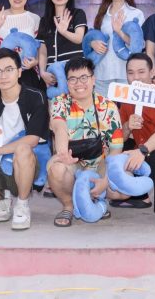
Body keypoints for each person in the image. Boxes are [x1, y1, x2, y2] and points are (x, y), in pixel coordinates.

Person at [0, 48, 50, 230]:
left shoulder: (36, 96)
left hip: (27, 162)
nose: (3, 76)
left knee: (22, 148)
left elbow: (32, 139)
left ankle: (22, 204)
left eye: (9, 70)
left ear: (19, 71)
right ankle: (3, 197)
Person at [46, 57, 124, 228]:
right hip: (72, 161)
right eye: (72, 79)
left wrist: (106, 180)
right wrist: (63, 154)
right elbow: (59, 127)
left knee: (121, 187)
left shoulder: (108, 107)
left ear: (93, 79)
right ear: (67, 82)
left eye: (83, 77)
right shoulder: (59, 102)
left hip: (100, 162)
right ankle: (69, 206)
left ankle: (97, 200)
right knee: (57, 169)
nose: (78, 83)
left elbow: (116, 149)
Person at [108, 53, 155, 226]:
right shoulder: (127, 97)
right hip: (140, 145)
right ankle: (137, 195)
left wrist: (142, 151)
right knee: (114, 147)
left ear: (151, 72)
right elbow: (119, 137)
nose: (136, 78)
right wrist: (127, 126)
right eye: (131, 73)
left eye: (141, 72)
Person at [90, 0, 146, 97]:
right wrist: (92, 43)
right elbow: (95, 37)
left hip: (125, 73)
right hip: (102, 73)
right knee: (102, 108)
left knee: (125, 109)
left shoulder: (136, 14)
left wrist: (119, 31)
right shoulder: (101, 15)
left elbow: (139, 45)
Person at [0, 0, 41, 90]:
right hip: (1, 74)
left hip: (27, 74)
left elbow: (40, 47)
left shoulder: (35, 19)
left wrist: (35, 62)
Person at [37, 0, 88, 93]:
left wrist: (64, 31)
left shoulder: (77, 14)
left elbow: (79, 38)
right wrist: (43, 72)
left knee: (77, 104)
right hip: (52, 77)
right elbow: (43, 50)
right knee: (55, 104)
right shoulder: (44, 20)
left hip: (75, 73)